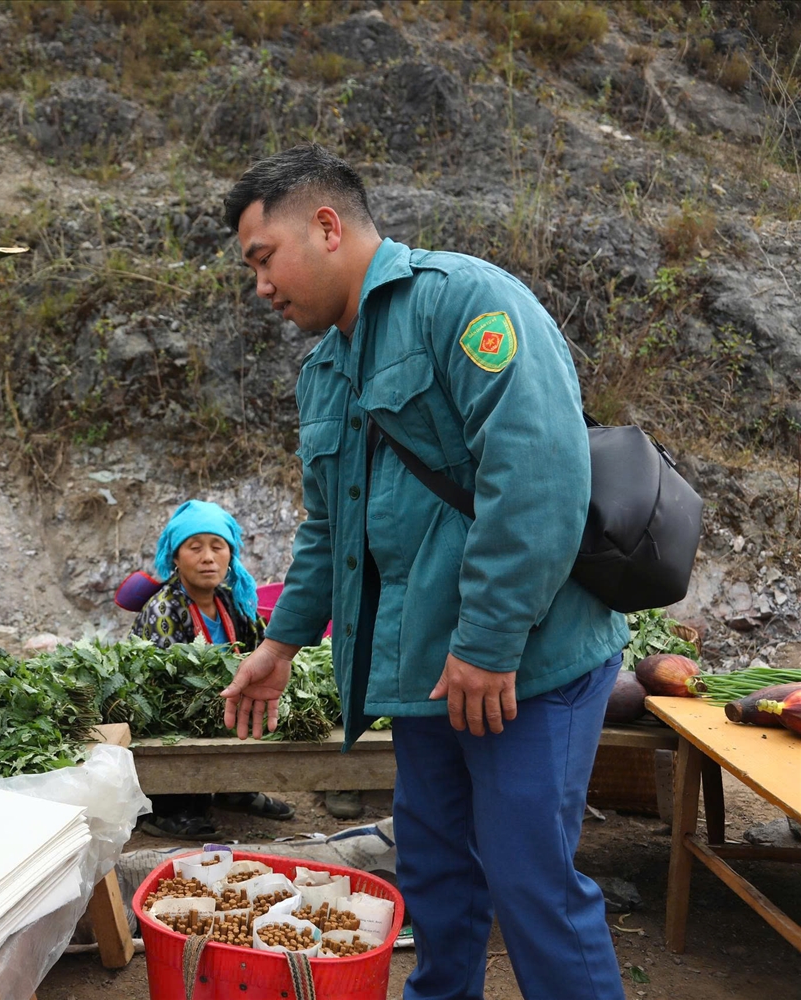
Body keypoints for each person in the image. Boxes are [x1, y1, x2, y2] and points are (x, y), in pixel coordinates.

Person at [218, 145, 629, 1000]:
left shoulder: (467, 304)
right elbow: (331, 528)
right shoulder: (325, 372)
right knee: (437, 875)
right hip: (425, 674)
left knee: (532, 885)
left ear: (327, 227)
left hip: (527, 661)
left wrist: (487, 643)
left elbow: (541, 479)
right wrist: (283, 643)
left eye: (265, 258)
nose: (259, 286)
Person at [129, 500, 294, 839]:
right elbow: (166, 687)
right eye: (195, 548)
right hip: (169, 713)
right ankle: (168, 807)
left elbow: (259, 654)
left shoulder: (234, 602)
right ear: (175, 557)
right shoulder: (164, 608)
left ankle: (235, 790)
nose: (208, 557)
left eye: (217, 547)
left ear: (230, 555)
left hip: (217, 703)